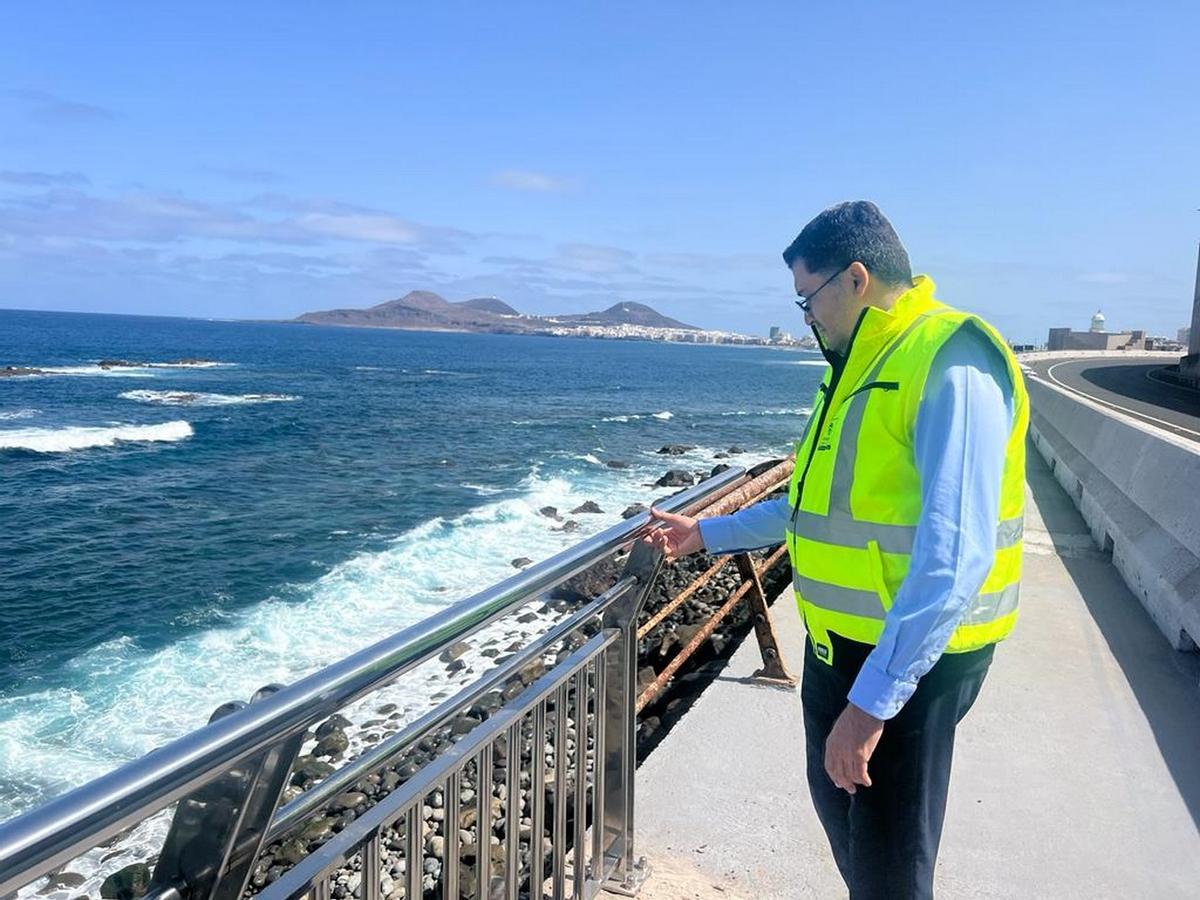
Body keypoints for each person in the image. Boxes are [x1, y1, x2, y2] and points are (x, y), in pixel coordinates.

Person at [645, 200, 1028, 899]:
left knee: (889, 865)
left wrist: (872, 705)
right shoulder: (852, 368)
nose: (806, 317)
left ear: (855, 279)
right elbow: (810, 509)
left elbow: (957, 549)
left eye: (807, 298)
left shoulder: (948, 357)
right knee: (849, 830)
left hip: (912, 659)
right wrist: (702, 534)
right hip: (837, 646)